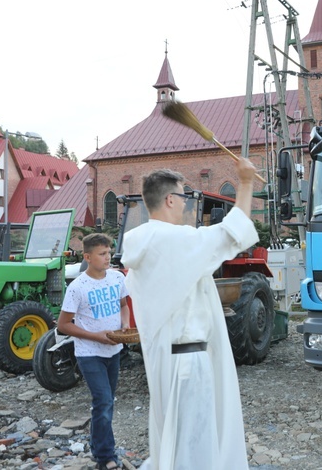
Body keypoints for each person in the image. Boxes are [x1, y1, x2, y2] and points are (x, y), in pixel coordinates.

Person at [121, 158, 259, 469]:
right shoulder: (172, 239)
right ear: (170, 199)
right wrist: (246, 183)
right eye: (184, 198)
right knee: (195, 445)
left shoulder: (143, 243)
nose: (186, 207)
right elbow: (231, 233)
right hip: (188, 362)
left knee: (172, 438)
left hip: (163, 360)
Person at [58, 233, 130, 470]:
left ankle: (99, 446)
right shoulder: (78, 287)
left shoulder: (118, 278)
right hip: (89, 353)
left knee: (106, 402)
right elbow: (63, 325)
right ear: (88, 257)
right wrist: (96, 337)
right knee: (104, 400)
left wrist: (125, 325)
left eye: (109, 252)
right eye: (102, 254)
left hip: (114, 350)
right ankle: (105, 456)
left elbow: (123, 306)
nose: (108, 257)